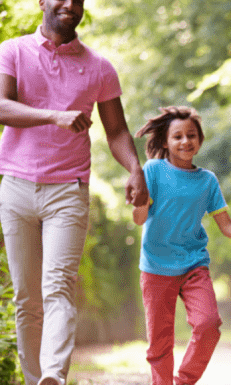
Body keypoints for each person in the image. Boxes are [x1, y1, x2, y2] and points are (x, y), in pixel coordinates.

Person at [0, 0, 149, 383]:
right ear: (42, 2)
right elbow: (1, 106)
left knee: (58, 287)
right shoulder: (13, 51)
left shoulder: (99, 67)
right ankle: (34, 379)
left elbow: (116, 131)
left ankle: (53, 376)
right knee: (27, 299)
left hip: (68, 189)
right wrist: (54, 115)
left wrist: (135, 168)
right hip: (16, 185)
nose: (70, 4)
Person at [132, 106, 231, 385]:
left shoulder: (207, 180)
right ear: (165, 142)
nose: (185, 141)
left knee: (208, 324)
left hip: (192, 263)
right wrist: (138, 201)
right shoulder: (153, 170)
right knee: (160, 341)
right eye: (177, 136)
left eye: (191, 135)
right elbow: (140, 219)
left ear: (199, 140)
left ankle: (184, 381)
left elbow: (227, 225)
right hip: (155, 266)